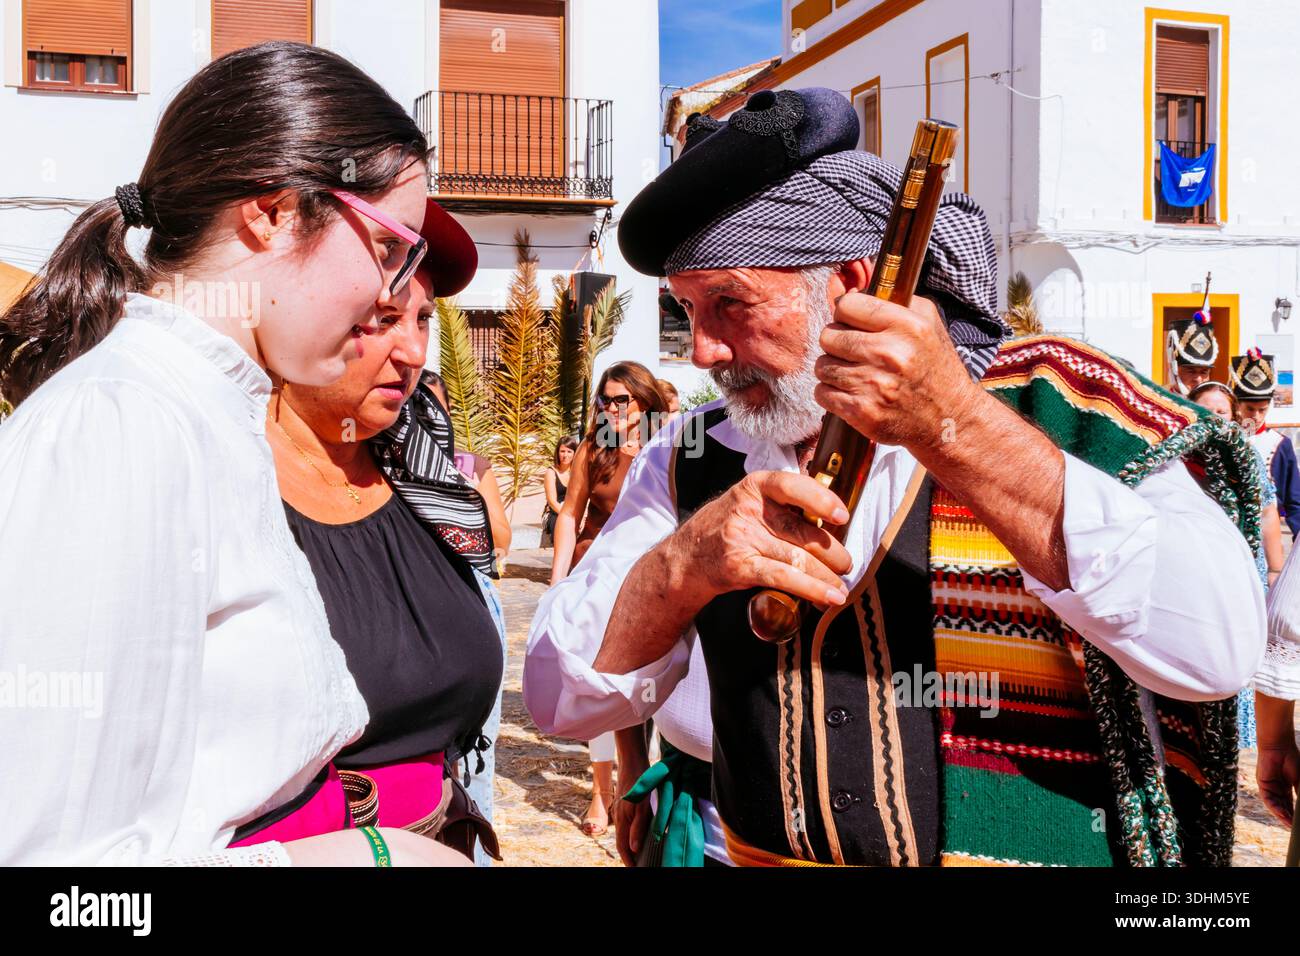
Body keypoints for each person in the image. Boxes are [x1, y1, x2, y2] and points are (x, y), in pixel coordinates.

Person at [524, 88, 1265, 867]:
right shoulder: (691, 455)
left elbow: (1215, 654)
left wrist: (958, 427)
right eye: (686, 309)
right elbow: (557, 697)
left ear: (852, 281)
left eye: (729, 303)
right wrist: (681, 567)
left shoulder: (1067, 406)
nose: (704, 350)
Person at [0, 42, 470, 865]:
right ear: (274, 212)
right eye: (390, 248)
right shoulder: (122, 424)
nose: (391, 296)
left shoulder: (207, 414)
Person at [255, 198, 504, 864]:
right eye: (384, 319)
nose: (415, 351)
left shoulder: (427, 485)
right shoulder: (223, 477)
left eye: (423, 320)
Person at [549, 360, 667, 836]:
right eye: (606, 399)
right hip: (596, 583)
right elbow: (568, 514)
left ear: (645, 401)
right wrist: (558, 583)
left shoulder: (669, 446)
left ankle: (650, 784)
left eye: (624, 399)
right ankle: (603, 792)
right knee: (599, 687)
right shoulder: (594, 450)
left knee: (655, 689)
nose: (613, 408)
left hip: (655, 584)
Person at [1190, 380, 1282, 748]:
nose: (1214, 417)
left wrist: (1275, 570)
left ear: (1233, 416)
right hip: (1198, 576)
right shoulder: (1175, 458)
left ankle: (1234, 741)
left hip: (1244, 572)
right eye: (1205, 410)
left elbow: (1267, 511)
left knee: (1238, 654)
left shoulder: (1247, 456)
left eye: (1221, 411)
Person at [421, 371, 513, 563]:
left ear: (449, 411)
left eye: (436, 408)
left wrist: (468, 497)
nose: (428, 417)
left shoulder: (473, 467)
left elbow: (502, 543)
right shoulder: (384, 467)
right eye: (417, 409)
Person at [1232, 349, 1300, 536]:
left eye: (1262, 409)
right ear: (1237, 404)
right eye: (1250, 409)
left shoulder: (1280, 443)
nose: (1256, 416)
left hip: (1267, 534)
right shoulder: (1225, 439)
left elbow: (1294, 499)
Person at [1164, 311, 1217, 396]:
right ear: (1174, 370)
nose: (1198, 380)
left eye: (1204, 372)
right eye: (1191, 371)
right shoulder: (1158, 399)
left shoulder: (1216, 405)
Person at [540, 435, 578, 549]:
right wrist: (568, 516)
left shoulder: (577, 472)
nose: (565, 455)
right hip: (555, 512)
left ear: (575, 453)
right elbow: (552, 501)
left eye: (569, 451)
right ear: (557, 453)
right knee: (563, 526)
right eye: (562, 451)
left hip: (574, 511)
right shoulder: (551, 472)